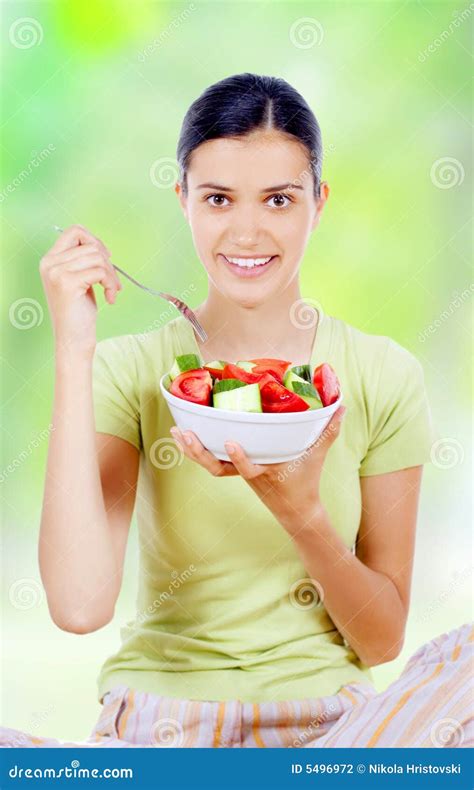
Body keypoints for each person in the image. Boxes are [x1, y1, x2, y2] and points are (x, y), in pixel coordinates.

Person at [1, 73, 472, 749]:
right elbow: (79, 607)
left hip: (332, 734)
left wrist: (300, 512)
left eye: (279, 199)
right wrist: (75, 350)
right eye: (218, 198)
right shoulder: (132, 370)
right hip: (162, 727)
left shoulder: (382, 373)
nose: (247, 231)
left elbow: (381, 640)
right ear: (183, 201)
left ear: (318, 203)